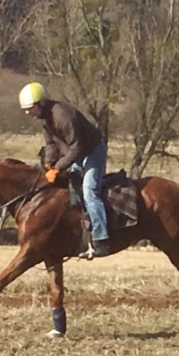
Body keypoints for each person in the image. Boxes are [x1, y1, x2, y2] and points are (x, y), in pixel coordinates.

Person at [18, 82, 110, 259]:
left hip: (93, 151)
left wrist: (59, 167)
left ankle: (101, 239)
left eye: (29, 108)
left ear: (41, 103)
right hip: (77, 153)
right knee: (72, 193)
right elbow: (51, 145)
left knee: (89, 191)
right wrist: (49, 164)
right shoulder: (46, 121)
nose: (26, 112)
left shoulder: (62, 116)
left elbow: (77, 147)